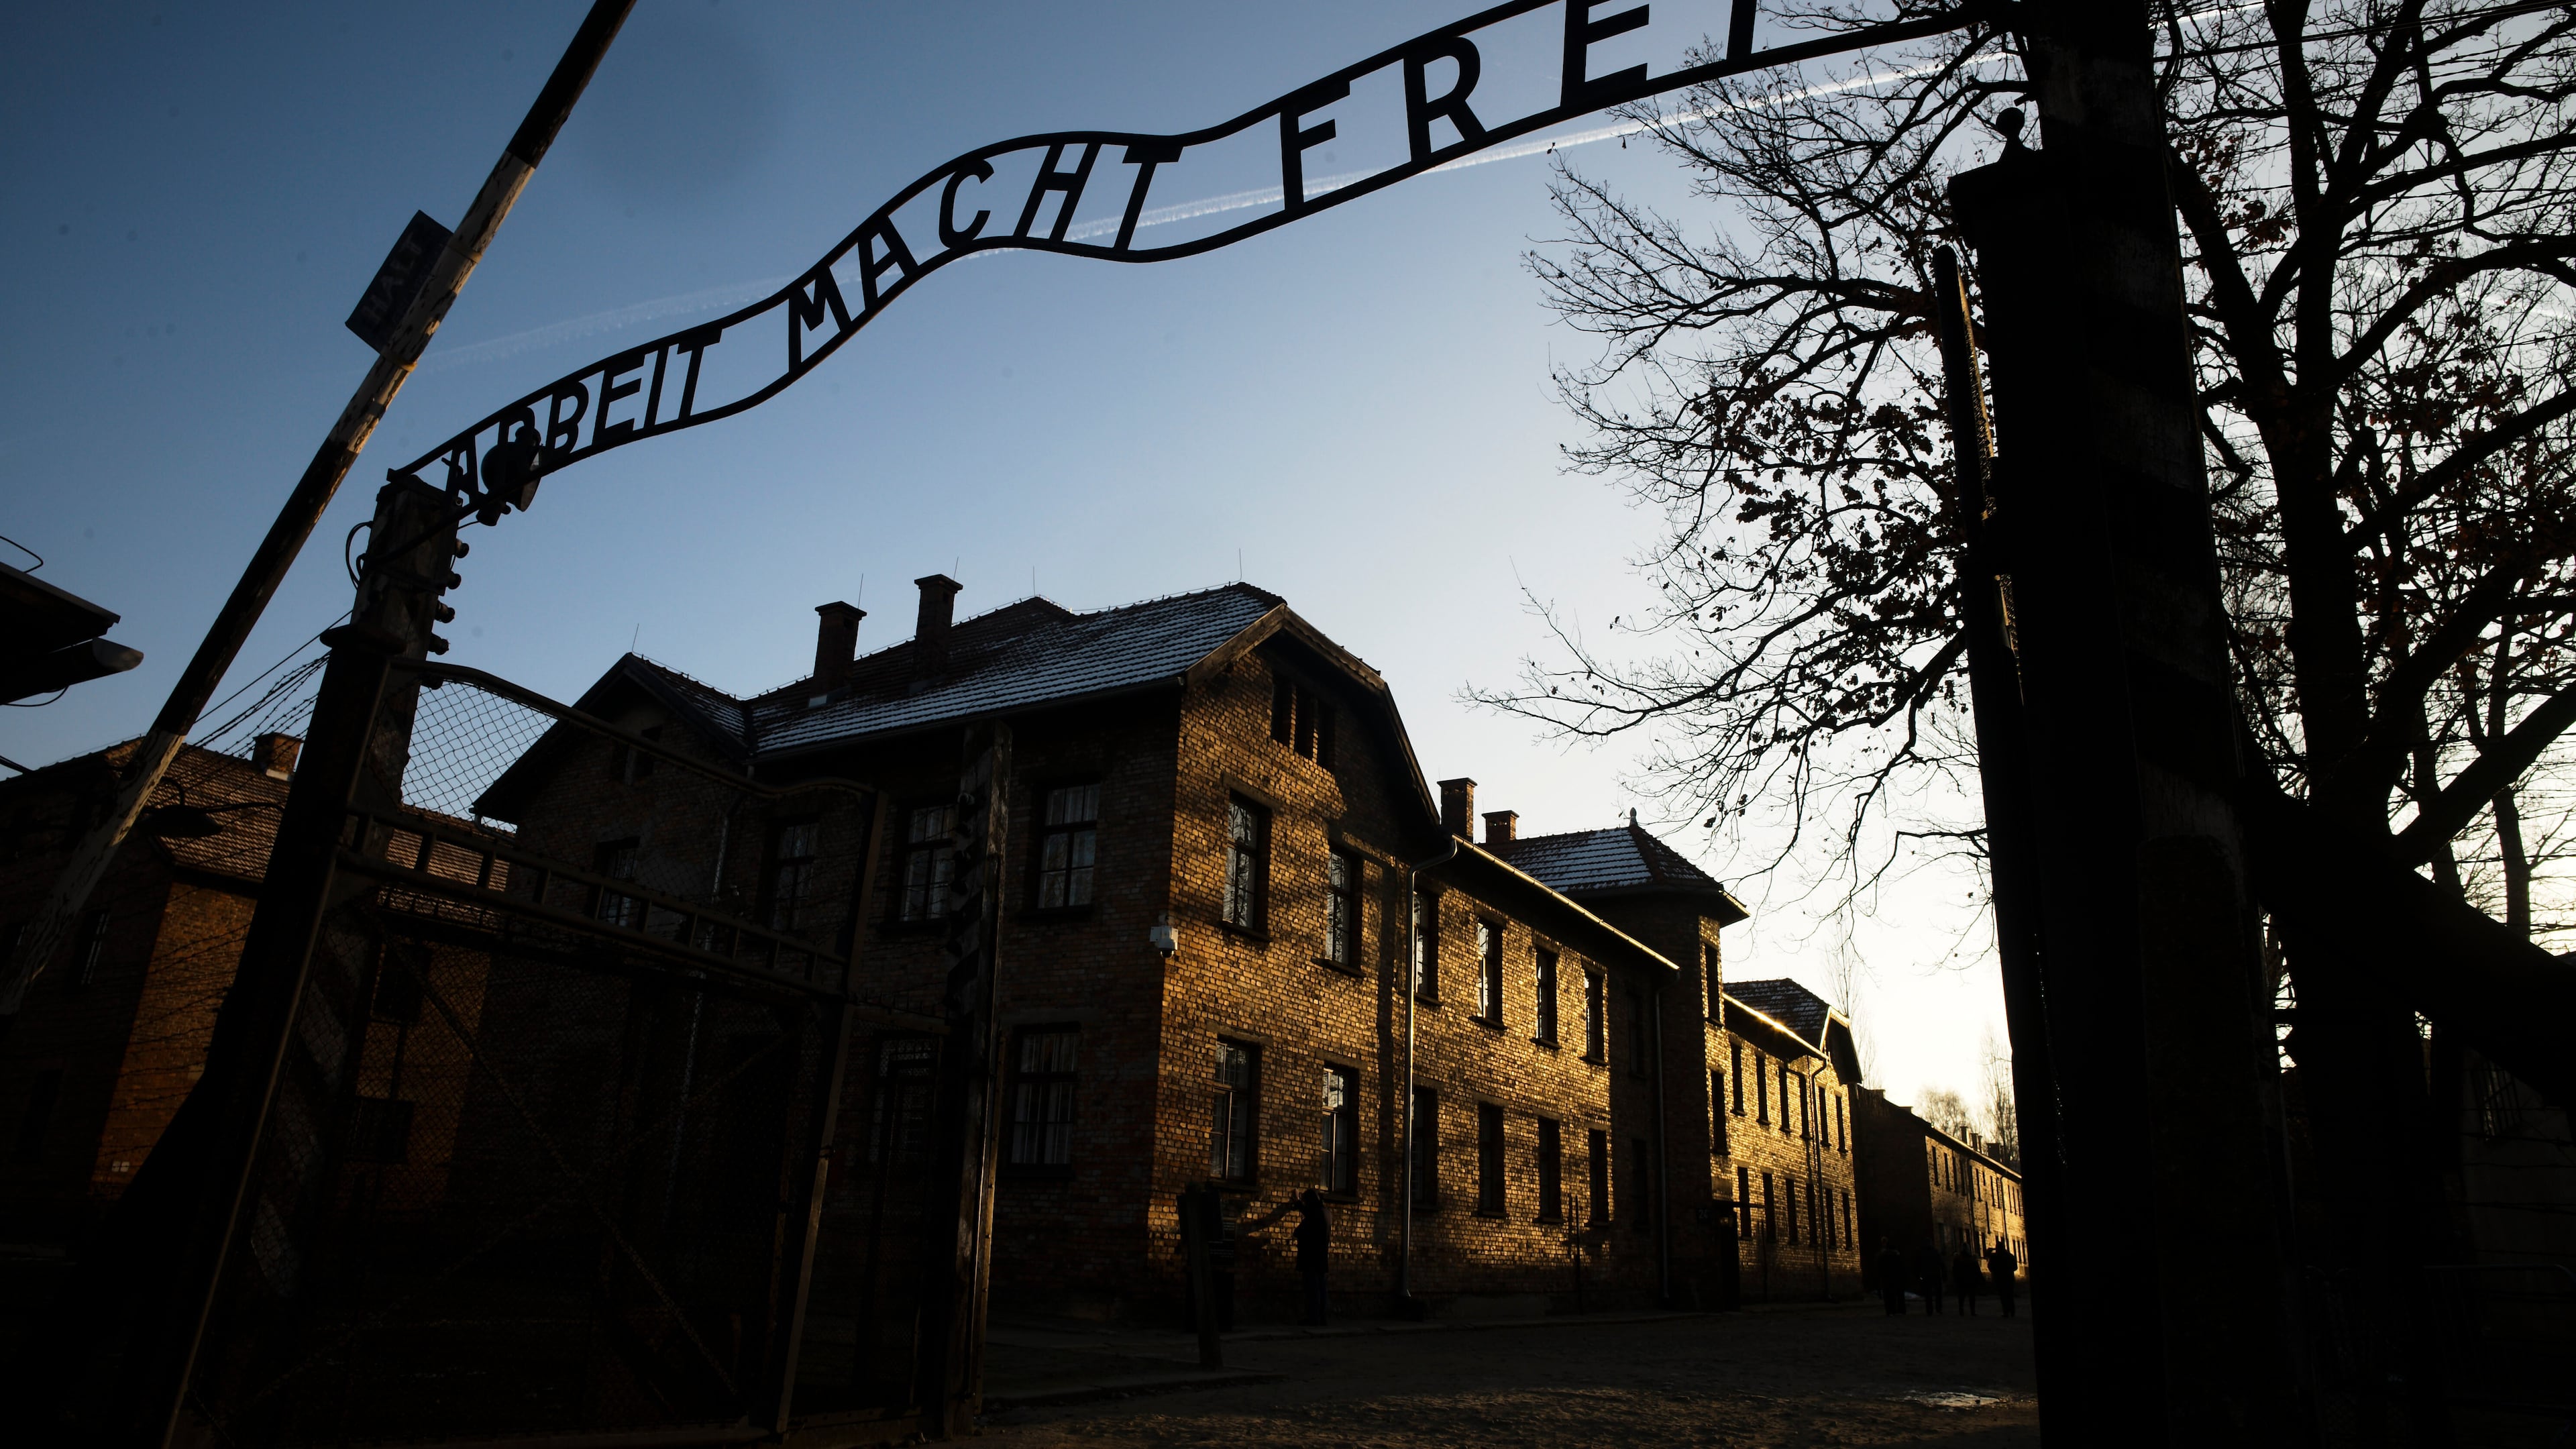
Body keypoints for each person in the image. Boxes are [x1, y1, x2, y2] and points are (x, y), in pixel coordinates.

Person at [1252, 1188, 1333, 1325]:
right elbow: (1308, 1213)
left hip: (1311, 1258)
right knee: (1321, 1288)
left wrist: (1297, 1201)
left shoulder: (1316, 1213)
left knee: (1312, 1289)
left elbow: (1305, 1218)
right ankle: (1322, 1317)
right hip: (1321, 1258)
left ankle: (1314, 1318)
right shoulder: (1327, 1213)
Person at [1986, 1238, 2020, 1318]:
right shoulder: (2010, 1256)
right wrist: (2009, 1270)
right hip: (2009, 1279)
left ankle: (2006, 1312)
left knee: (2003, 1296)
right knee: (2010, 1296)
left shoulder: (1995, 1257)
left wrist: (1995, 1271)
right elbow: (2015, 1267)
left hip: (2000, 1279)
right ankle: (2012, 1312)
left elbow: (1990, 1265)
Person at [1877, 1237, 1909, 1316]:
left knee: (1888, 1295)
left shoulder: (1883, 1255)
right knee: (1899, 1294)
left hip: (1886, 1277)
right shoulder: (1897, 1255)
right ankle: (1901, 1310)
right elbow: (1902, 1266)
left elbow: (1879, 1267)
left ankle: (1890, 1311)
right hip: (1897, 1277)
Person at [1918, 1238, 1947, 1316]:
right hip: (1936, 1275)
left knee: (1928, 1294)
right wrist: (1944, 1275)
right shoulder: (1935, 1252)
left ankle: (1929, 1310)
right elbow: (1942, 1264)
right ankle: (1938, 1308)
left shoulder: (1922, 1253)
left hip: (1927, 1276)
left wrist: (1920, 1276)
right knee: (1938, 1293)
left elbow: (1919, 1265)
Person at [1953, 1242, 1983, 1316]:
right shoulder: (1972, 1259)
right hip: (1970, 1280)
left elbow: (1955, 1270)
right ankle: (1972, 1311)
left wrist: (1955, 1279)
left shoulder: (1958, 1259)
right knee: (1971, 1296)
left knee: (1962, 1296)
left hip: (1962, 1280)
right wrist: (1980, 1279)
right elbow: (1977, 1270)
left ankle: (1961, 1310)